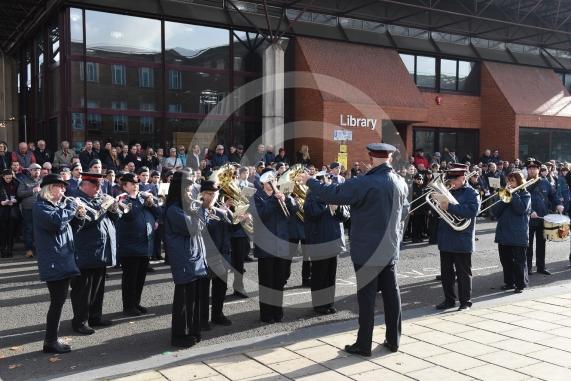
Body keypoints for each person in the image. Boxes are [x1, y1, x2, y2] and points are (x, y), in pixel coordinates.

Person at [298, 143, 408, 356]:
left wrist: (310, 181)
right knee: (392, 295)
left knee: (367, 298)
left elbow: (332, 194)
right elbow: (404, 213)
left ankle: (363, 344)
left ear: (371, 158)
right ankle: (393, 339)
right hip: (390, 248)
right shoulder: (400, 181)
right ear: (390, 159)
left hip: (367, 250)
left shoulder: (365, 182)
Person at [34, 173, 82, 353]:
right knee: (57, 301)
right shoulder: (40, 207)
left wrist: (80, 216)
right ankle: (50, 341)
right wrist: (71, 207)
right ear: (49, 188)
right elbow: (56, 223)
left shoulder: (59, 206)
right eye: (60, 186)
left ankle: (52, 338)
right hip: (54, 260)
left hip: (64, 257)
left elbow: (70, 228)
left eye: (64, 187)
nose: (63, 190)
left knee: (60, 300)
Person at [70, 173, 118, 335]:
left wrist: (114, 208)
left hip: (101, 250)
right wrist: (104, 205)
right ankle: (80, 321)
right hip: (85, 250)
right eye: (95, 185)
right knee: (83, 289)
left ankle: (95, 316)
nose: (99, 189)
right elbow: (91, 218)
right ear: (84, 185)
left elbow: (115, 218)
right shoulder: (76, 199)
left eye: (99, 185)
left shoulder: (99, 198)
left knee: (98, 287)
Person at [164, 170, 208, 347]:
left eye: (191, 188)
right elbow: (194, 228)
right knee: (183, 301)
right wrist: (201, 208)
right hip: (183, 259)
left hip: (194, 257)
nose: (191, 192)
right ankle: (180, 335)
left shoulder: (187, 207)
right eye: (188, 189)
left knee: (194, 299)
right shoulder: (174, 210)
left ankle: (193, 330)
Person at [251, 169, 295, 323]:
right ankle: (266, 314)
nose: (273, 182)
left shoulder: (282, 194)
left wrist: (287, 199)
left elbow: (293, 212)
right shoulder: (257, 196)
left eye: (274, 179)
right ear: (263, 182)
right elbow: (261, 215)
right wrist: (274, 200)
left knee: (279, 281)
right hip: (266, 247)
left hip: (282, 244)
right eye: (270, 179)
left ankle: (278, 312)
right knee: (267, 282)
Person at [435, 164, 480, 312]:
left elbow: (472, 211)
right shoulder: (447, 190)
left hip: (462, 238)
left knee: (463, 274)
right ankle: (449, 300)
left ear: (462, 178)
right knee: (446, 274)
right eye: (449, 179)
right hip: (446, 237)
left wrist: (450, 207)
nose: (450, 182)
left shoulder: (471, 193)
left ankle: (465, 301)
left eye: (453, 179)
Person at [115, 173, 161, 316]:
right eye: (131, 183)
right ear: (124, 186)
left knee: (140, 277)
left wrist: (151, 202)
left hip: (145, 244)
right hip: (130, 244)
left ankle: (136, 303)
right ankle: (128, 306)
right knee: (130, 278)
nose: (135, 185)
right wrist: (142, 201)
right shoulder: (122, 199)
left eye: (136, 182)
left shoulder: (143, 198)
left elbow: (159, 212)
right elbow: (131, 215)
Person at [304, 170, 349, 314]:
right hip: (319, 241)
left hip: (333, 241)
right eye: (326, 178)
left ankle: (329, 303)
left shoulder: (335, 195)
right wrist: (325, 201)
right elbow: (312, 213)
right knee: (319, 275)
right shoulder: (311, 195)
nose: (329, 180)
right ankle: (319, 305)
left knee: (331, 275)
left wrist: (338, 208)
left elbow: (346, 216)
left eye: (329, 178)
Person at [199, 180, 233, 329]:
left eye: (214, 194)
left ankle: (218, 315)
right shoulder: (197, 211)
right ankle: (202, 319)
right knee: (203, 290)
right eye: (208, 193)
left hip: (223, 255)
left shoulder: (220, 211)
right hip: (206, 256)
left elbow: (232, 226)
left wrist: (233, 213)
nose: (211, 196)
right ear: (202, 194)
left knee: (220, 288)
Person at [493, 171, 531, 293]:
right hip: (504, 232)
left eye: (512, 181)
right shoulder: (505, 193)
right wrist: (504, 197)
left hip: (518, 233)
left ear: (519, 182)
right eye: (508, 181)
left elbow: (520, 209)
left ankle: (520, 284)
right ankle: (509, 282)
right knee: (506, 261)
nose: (509, 183)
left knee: (519, 261)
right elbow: (496, 212)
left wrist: (512, 195)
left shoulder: (525, 194)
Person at [526, 158, 563, 275]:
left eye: (534, 168)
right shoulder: (523, 183)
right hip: (528, 219)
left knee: (542, 244)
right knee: (528, 245)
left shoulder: (545, 182)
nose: (532, 171)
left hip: (542, 218)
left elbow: (553, 195)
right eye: (530, 169)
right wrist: (530, 211)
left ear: (538, 170)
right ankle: (528, 268)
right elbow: (521, 200)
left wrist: (559, 204)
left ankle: (541, 267)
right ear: (527, 170)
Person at [17, 163, 43, 258]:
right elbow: (19, 194)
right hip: (28, 208)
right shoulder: (24, 181)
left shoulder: (43, 181)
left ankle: (39, 249)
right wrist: (33, 190)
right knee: (29, 228)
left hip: (41, 208)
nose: (37, 172)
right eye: (35, 170)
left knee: (40, 228)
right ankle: (29, 249)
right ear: (30, 171)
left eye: (38, 170)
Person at [0, 169, 21, 258]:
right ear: (3, 177)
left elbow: (20, 196)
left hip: (12, 209)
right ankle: (3, 249)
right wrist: (1, 202)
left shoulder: (16, 183)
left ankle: (10, 249)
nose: (9, 180)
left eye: (10, 178)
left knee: (11, 231)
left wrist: (16, 200)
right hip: (2, 210)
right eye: (7, 178)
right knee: (2, 231)